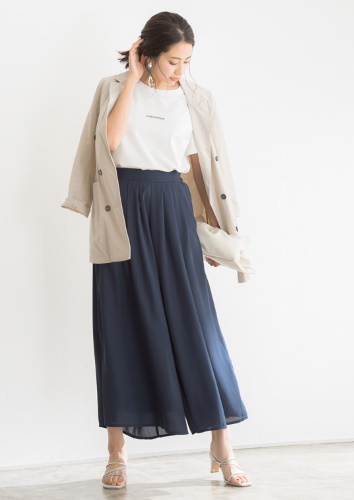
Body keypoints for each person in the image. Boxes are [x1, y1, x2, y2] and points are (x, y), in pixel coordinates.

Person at [62, 11, 252, 490]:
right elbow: (109, 143)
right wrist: (132, 80)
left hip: (172, 210)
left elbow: (199, 169)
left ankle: (222, 444)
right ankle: (116, 452)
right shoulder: (112, 88)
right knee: (120, 328)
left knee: (197, 326)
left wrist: (212, 231)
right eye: (172, 60)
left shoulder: (196, 99)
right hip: (121, 211)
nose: (180, 70)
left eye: (187, 61)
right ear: (146, 53)